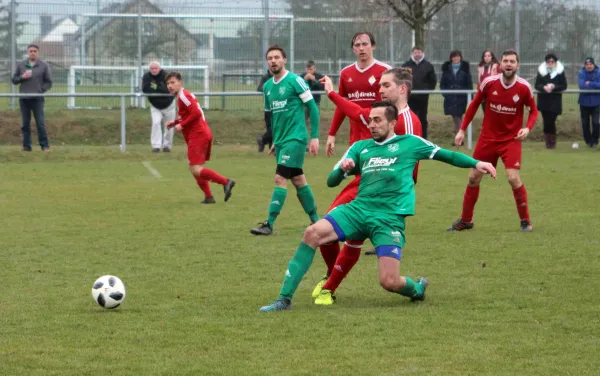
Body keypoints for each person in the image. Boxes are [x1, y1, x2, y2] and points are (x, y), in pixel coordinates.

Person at [258, 101, 497, 311]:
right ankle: (283, 299)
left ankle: (417, 288)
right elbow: (331, 182)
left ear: (392, 123)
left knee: (389, 282)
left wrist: (478, 163)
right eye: (370, 120)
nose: (372, 124)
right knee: (312, 233)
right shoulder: (361, 148)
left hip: (389, 218)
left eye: (378, 120)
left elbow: (448, 156)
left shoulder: (410, 143)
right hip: (357, 210)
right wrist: (343, 170)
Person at [311, 68, 422, 303]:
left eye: (385, 85)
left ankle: (329, 288)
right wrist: (331, 94)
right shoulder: (380, 114)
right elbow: (355, 111)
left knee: (350, 240)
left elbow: (412, 173)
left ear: (402, 89)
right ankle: (330, 279)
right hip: (361, 184)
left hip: (384, 197)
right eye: (379, 85)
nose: (379, 89)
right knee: (327, 230)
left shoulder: (409, 123)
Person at [319, 31, 390, 269]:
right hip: (356, 146)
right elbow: (342, 105)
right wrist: (331, 133)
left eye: (365, 44)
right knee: (353, 189)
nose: (361, 48)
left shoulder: (383, 72)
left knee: (369, 193)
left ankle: (365, 234)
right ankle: (358, 234)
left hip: (379, 148)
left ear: (373, 46)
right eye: (357, 45)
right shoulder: (346, 74)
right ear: (353, 49)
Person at [448, 49, 538, 233]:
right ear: (500, 64)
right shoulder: (489, 83)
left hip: (510, 140)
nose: (508, 64)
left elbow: (533, 110)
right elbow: (473, 105)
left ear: (517, 65)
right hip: (488, 139)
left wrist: (527, 127)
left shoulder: (523, 87)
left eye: (512, 61)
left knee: (513, 178)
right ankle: (466, 221)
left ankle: (525, 221)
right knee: (473, 177)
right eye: (505, 61)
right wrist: (462, 130)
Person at [250, 45, 320, 236]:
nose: (273, 61)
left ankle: (269, 223)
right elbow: (271, 116)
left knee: (280, 178)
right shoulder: (267, 87)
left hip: (296, 138)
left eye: (276, 57)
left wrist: (314, 137)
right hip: (281, 141)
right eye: (269, 58)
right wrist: (274, 139)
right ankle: (317, 221)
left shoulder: (295, 81)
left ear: (284, 60)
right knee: (298, 180)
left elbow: (312, 108)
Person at [165, 72, 235, 204]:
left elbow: (196, 112)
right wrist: (174, 123)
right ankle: (209, 197)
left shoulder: (183, 96)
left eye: (173, 82)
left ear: (180, 83)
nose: (170, 86)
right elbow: (190, 114)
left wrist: (182, 125)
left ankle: (226, 182)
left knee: (196, 168)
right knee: (193, 168)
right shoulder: (183, 96)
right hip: (200, 134)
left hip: (198, 134)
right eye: (168, 83)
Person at [11, 44, 52, 152]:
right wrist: (21, 77)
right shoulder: (21, 65)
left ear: (37, 52)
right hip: (24, 99)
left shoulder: (43, 65)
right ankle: (26, 146)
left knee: (40, 123)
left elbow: (49, 82)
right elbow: (14, 80)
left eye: (34, 51)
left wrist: (40, 90)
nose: (32, 53)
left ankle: (44, 146)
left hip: (37, 99)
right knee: (25, 123)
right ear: (27, 52)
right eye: (30, 51)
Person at [402, 46, 437, 139]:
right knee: (410, 118)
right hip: (410, 98)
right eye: (415, 52)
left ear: (422, 53)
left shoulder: (428, 66)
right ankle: (410, 137)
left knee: (422, 119)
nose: (417, 54)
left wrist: (427, 90)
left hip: (423, 98)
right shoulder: (406, 65)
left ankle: (423, 138)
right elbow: (402, 79)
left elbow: (433, 81)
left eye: (419, 52)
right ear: (412, 53)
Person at [534, 53, 567, 149]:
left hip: (555, 100)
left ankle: (552, 141)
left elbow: (564, 85)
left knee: (551, 121)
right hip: (544, 99)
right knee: (546, 121)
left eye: (552, 61)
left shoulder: (560, 72)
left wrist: (554, 87)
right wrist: (544, 87)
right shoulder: (541, 71)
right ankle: (547, 142)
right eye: (548, 61)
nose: (550, 63)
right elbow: (537, 85)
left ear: (555, 62)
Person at [142, 61, 176, 152]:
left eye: (155, 68)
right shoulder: (146, 76)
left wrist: (154, 86)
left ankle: (167, 146)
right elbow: (145, 89)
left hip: (169, 105)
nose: (153, 70)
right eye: (152, 68)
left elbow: (167, 90)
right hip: (155, 105)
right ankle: (156, 146)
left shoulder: (166, 75)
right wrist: (159, 87)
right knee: (156, 123)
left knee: (169, 125)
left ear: (159, 68)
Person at [440, 50, 473, 142]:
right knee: (455, 116)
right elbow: (442, 84)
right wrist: (446, 94)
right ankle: (460, 137)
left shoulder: (465, 69)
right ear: (451, 58)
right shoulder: (446, 69)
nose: (456, 58)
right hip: (450, 98)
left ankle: (459, 138)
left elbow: (469, 84)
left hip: (461, 97)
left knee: (458, 116)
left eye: (457, 56)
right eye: (454, 57)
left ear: (460, 57)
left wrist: (470, 96)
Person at [577, 57, 600, 148]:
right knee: (585, 123)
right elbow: (581, 85)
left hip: (596, 102)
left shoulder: (598, 72)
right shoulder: (581, 73)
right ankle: (588, 141)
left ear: (593, 65)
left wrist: (589, 83)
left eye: (590, 64)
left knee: (596, 122)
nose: (589, 66)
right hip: (584, 102)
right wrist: (594, 84)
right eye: (587, 65)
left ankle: (595, 140)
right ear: (585, 65)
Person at [300, 60, 325, 128]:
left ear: (315, 69)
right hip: (304, 103)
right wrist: (304, 80)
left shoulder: (319, 76)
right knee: (302, 121)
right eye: (307, 69)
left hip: (315, 102)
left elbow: (322, 87)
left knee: (315, 121)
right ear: (305, 69)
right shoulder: (302, 76)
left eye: (311, 69)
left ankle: (314, 136)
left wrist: (315, 80)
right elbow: (298, 88)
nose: (309, 71)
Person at [256, 70, 274, 152]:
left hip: (279, 106)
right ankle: (263, 140)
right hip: (268, 108)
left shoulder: (279, 77)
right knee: (271, 128)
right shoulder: (265, 77)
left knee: (275, 128)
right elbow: (259, 88)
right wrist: (270, 88)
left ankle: (266, 143)